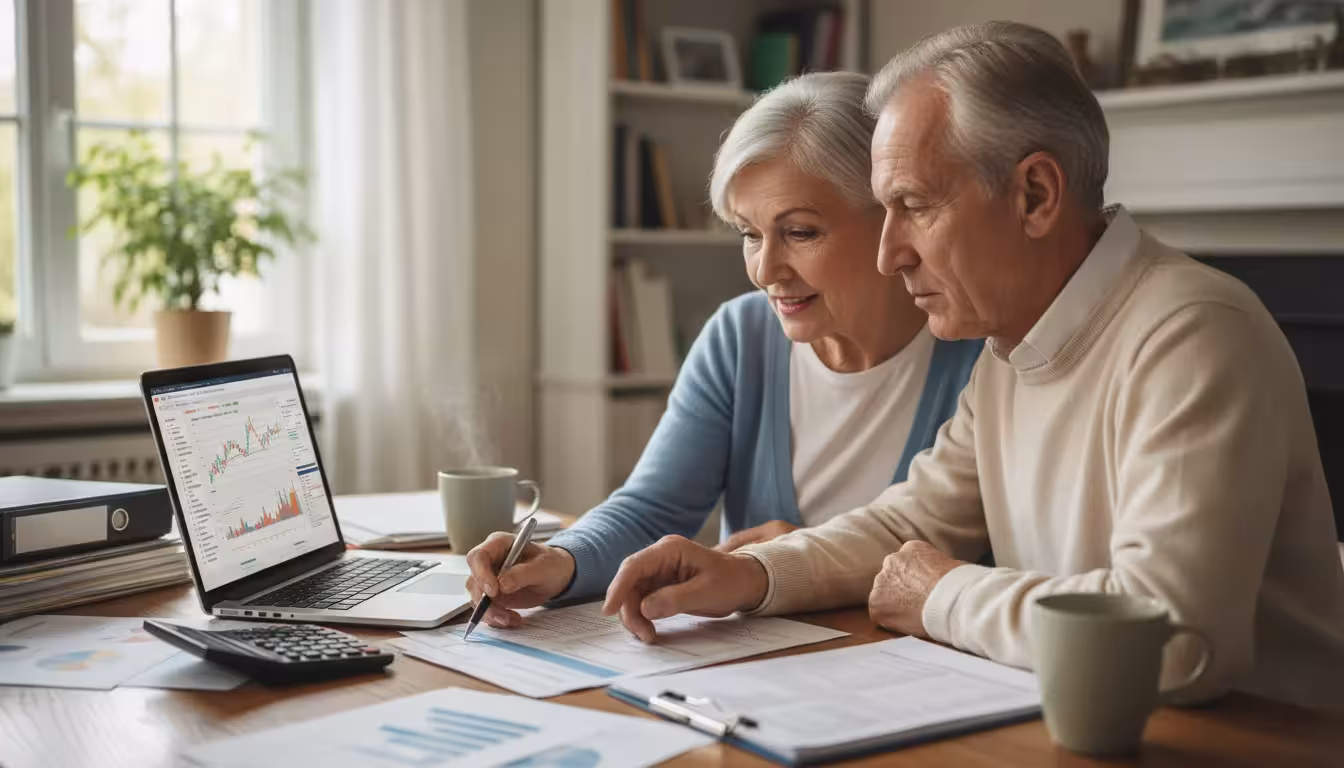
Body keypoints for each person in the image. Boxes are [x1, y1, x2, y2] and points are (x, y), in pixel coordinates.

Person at [598, 22, 1344, 713]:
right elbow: (911, 521)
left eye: (914, 205)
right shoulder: (1012, 349)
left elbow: (1175, 643)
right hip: (1089, 723)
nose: (890, 253)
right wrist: (752, 577)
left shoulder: (1192, 333)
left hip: (1253, 740)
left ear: (1035, 195)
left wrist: (942, 593)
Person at [464, 72, 982, 627]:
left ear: (890, 215)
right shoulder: (741, 337)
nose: (765, 270)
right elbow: (654, 508)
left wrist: (802, 562)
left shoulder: (978, 357)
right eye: (749, 233)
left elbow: (986, 555)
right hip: (755, 678)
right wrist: (564, 559)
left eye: (801, 232)